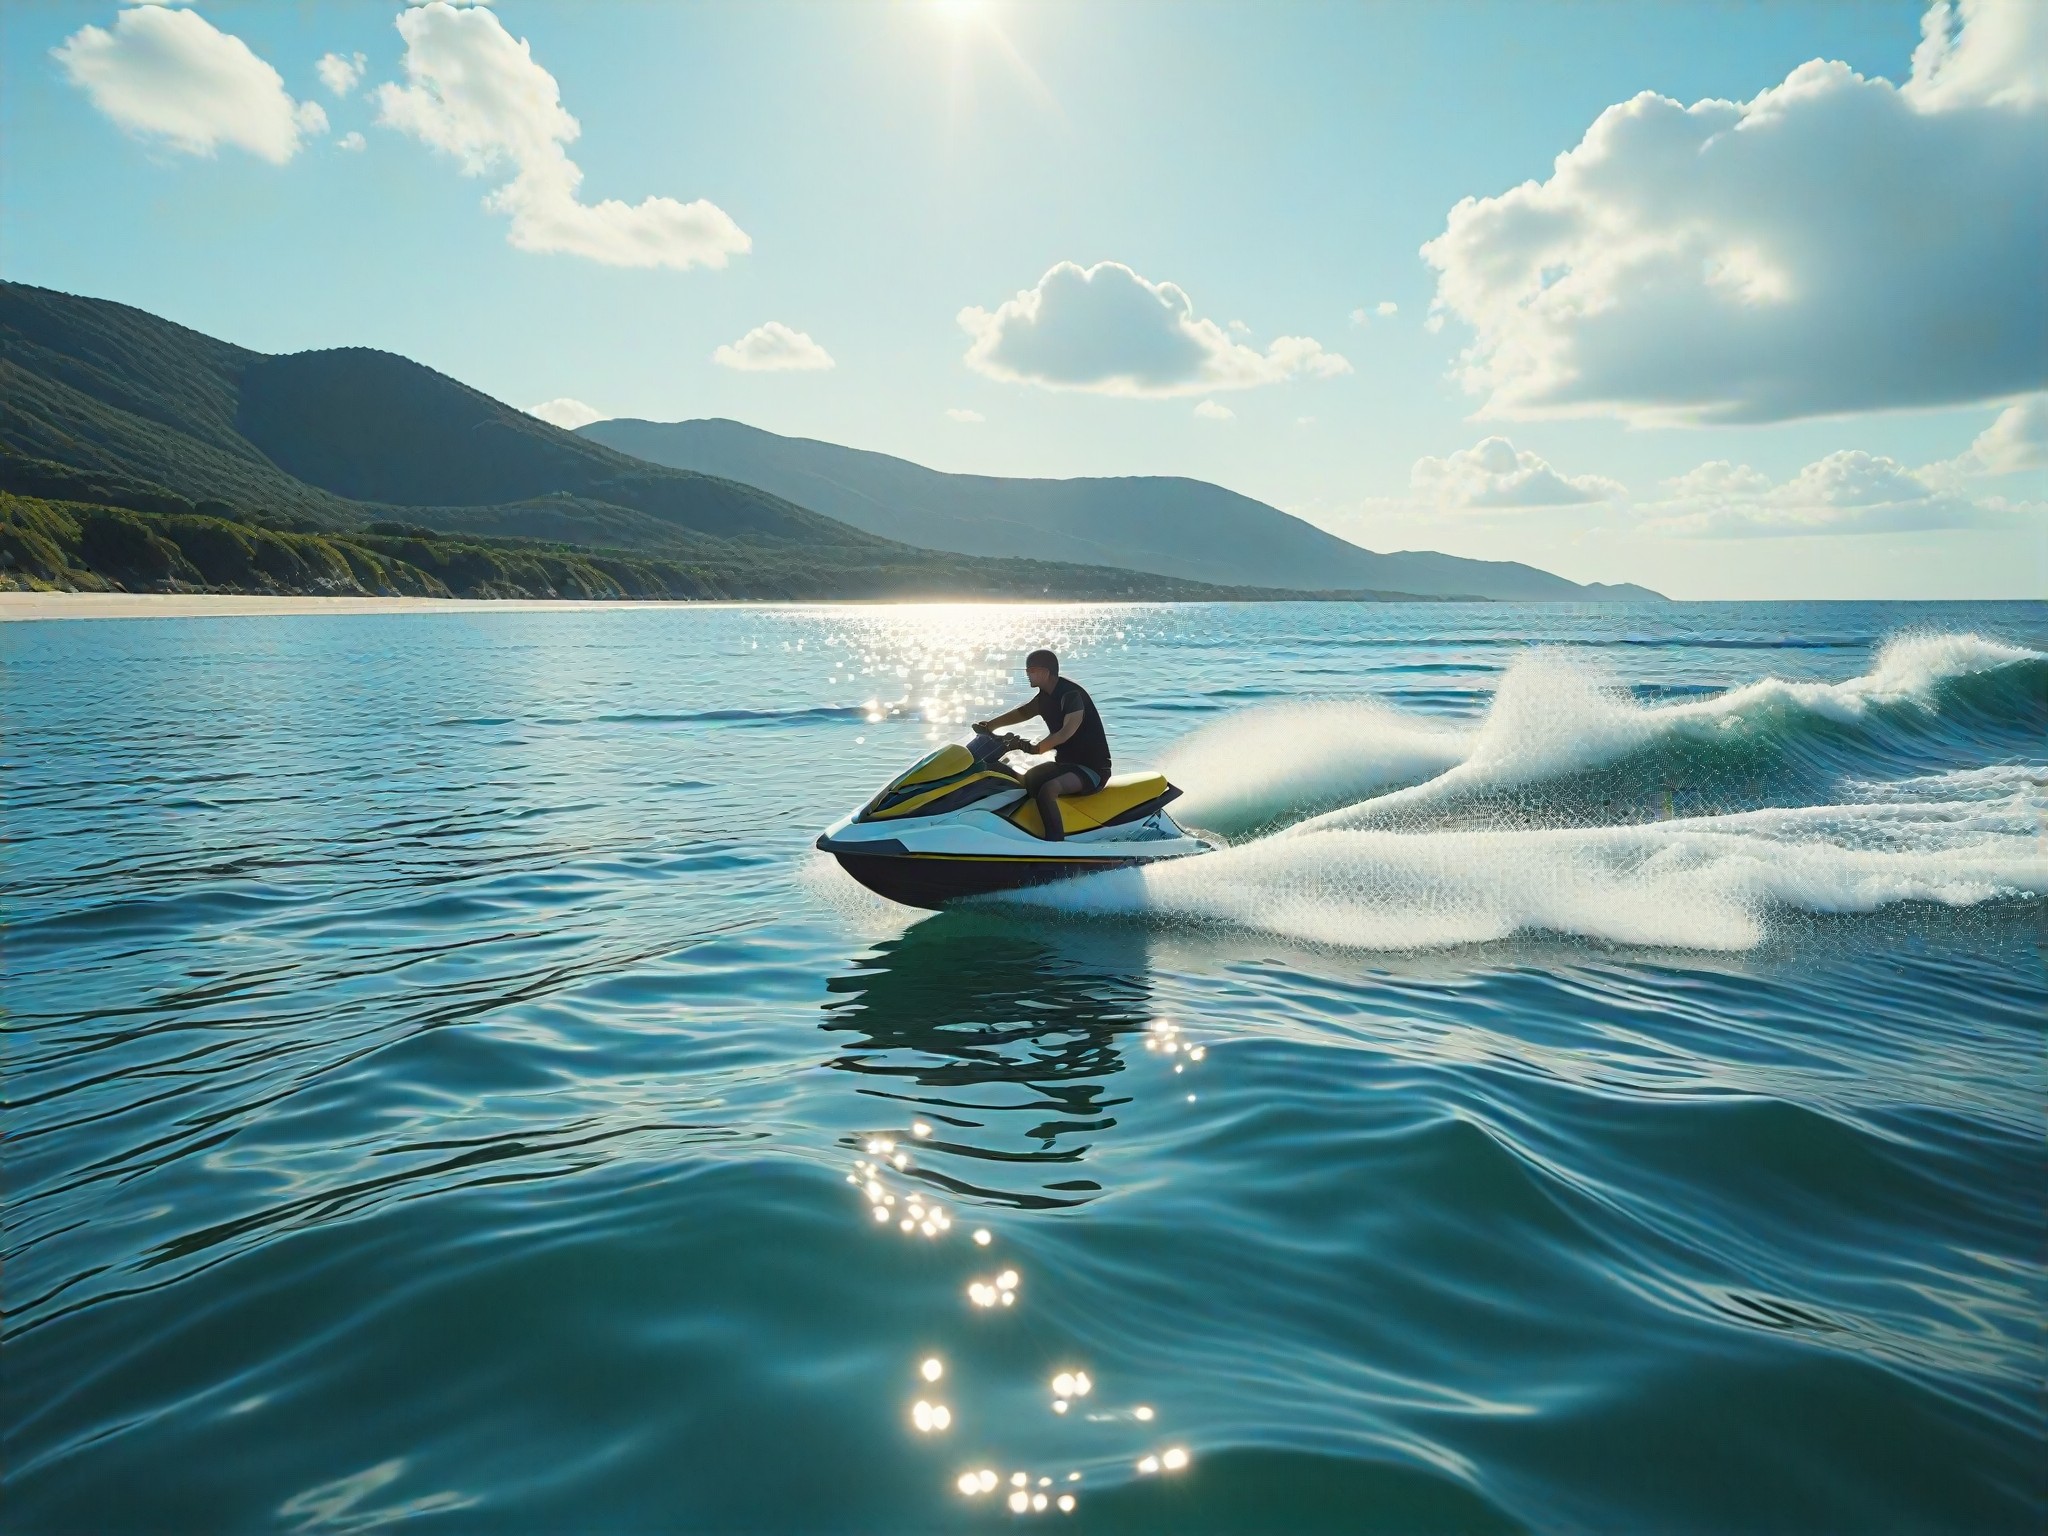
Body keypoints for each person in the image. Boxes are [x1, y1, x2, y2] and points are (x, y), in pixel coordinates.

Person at [972, 649, 1112, 842]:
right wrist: (991, 725)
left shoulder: (1071, 695)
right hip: (1065, 764)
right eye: (1027, 669)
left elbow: (1066, 732)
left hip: (1092, 769)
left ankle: (1055, 841)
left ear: (1046, 672)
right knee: (1024, 779)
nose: (1027, 673)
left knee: (1048, 789)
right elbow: (1021, 713)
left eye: (1032, 670)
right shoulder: (1044, 698)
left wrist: (1037, 748)